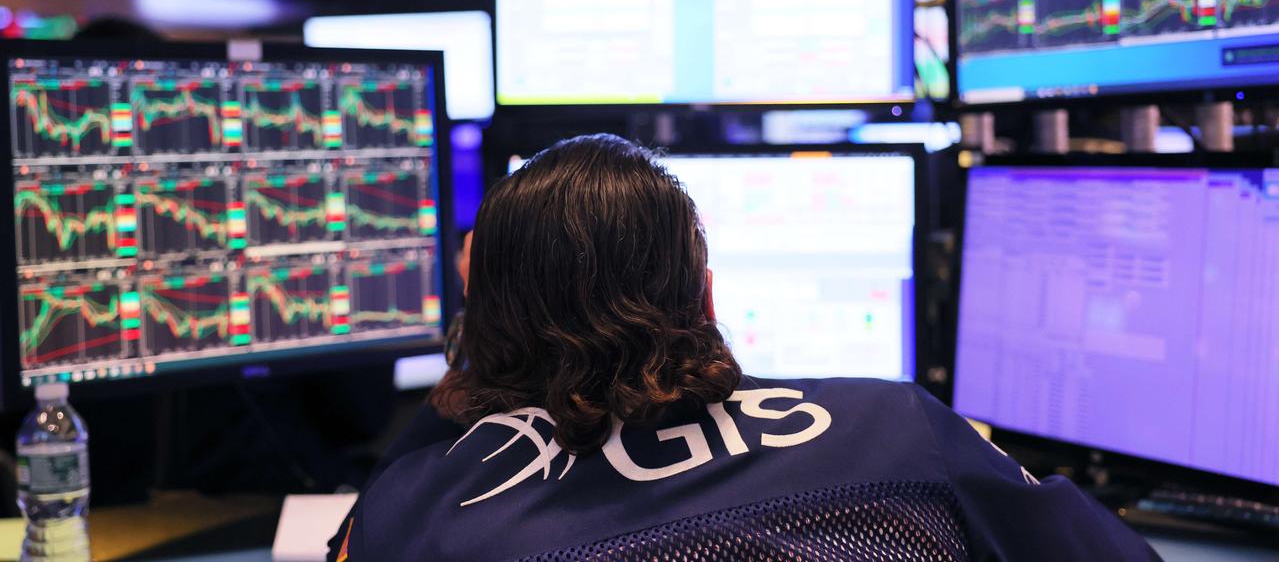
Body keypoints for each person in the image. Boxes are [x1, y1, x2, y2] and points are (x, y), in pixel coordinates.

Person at [327, 133, 1158, 561]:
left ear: (485, 320)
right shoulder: (897, 426)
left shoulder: (423, 510)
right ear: (708, 296)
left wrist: (474, 356)